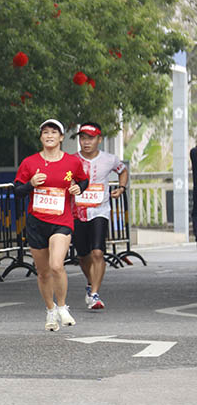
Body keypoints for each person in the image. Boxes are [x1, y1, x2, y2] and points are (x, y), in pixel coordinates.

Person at [14, 119, 88, 331]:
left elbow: (83, 180)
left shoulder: (72, 163)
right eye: (45, 132)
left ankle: (63, 306)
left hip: (61, 221)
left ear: (61, 138)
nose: (49, 136)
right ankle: (50, 310)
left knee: (57, 265)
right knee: (43, 272)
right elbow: (17, 190)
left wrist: (78, 189)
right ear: (41, 138)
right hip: (36, 222)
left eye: (53, 132)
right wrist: (31, 184)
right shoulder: (29, 163)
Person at [73, 122, 128, 310]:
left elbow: (123, 170)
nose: (86, 142)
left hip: (100, 210)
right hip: (77, 211)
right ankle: (91, 282)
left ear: (99, 139)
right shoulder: (71, 160)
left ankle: (95, 294)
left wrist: (121, 188)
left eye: (90, 138)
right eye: (83, 138)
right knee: (82, 255)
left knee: (97, 252)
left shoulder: (109, 159)